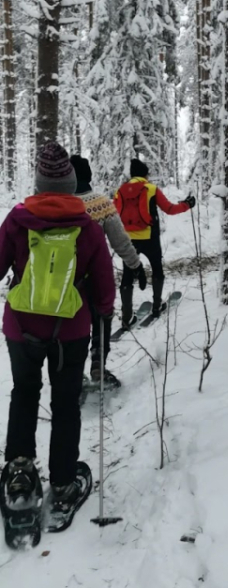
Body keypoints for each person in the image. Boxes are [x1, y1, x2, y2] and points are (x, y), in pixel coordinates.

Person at [0, 142, 115, 527]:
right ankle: (64, 483)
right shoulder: (87, 224)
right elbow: (103, 286)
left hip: (21, 328)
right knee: (65, 404)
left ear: (38, 183)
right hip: (70, 331)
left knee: (24, 393)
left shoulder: (17, 219)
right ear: (69, 184)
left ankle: (19, 474)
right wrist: (104, 312)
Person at [69, 155, 147, 386]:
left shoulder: (58, 204)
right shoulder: (100, 203)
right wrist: (136, 265)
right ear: (89, 176)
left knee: (71, 326)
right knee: (102, 318)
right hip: (96, 278)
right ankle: (97, 366)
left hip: (62, 280)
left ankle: (71, 373)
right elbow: (120, 240)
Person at [114, 158, 195, 326]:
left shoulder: (120, 191)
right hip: (150, 237)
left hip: (129, 240)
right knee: (157, 269)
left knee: (127, 276)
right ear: (145, 174)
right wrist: (187, 205)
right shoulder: (151, 189)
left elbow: (114, 213)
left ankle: (127, 316)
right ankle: (157, 306)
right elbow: (170, 209)